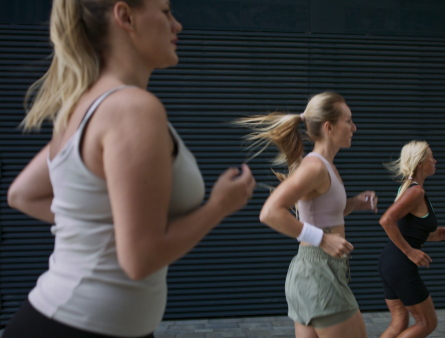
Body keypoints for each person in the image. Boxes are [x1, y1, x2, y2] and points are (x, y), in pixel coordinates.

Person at [4, 0, 255, 337]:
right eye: (165, 11)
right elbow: (140, 259)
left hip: (78, 321)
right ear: (125, 16)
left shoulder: (84, 105)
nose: (177, 25)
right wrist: (219, 207)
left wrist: (109, 226)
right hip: (77, 326)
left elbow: (22, 194)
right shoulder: (132, 109)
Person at [235, 92, 378, 338]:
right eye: (348, 121)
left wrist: (353, 203)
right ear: (329, 127)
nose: (354, 127)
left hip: (314, 273)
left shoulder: (326, 165)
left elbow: (319, 214)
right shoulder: (314, 167)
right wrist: (322, 239)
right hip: (318, 272)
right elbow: (270, 212)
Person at [377, 140, 445, 338]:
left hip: (390, 262)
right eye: (431, 157)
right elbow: (386, 221)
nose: (435, 161)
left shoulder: (408, 187)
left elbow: (407, 229)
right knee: (427, 322)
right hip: (400, 264)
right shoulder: (416, 191)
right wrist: (410, 251)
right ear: (420, 163)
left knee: (399, 323)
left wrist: (433, 236)